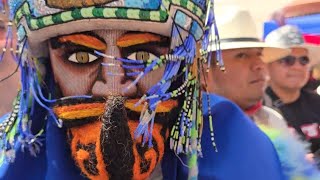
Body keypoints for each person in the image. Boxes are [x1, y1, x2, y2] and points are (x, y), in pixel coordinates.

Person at [0, 1, 286, 179]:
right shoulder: (11, 156)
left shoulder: (239, 145)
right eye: (81, 57)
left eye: (144, 57)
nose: (114, 87)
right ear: (48, 66)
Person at [202, 7, 320, 179]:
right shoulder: (189, 134)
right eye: (241, 55)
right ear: (206, 72)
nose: (258, 64)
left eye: (259, 54)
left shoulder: (272, 119)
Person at [264, 25, 320, 158]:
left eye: (303, 60)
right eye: (287, 60)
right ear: (267, 66)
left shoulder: (317, 103)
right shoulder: (256, 108)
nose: (297, 67)